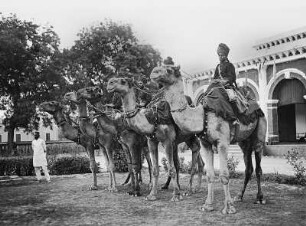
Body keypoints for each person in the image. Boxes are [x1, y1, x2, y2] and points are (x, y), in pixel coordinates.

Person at [214, 43, 249, 115]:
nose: (220, 57)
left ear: (226, 56)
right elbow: (215, 77)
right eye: (219, 55)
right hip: (218, 87)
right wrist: (216, 81)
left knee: (232, 98)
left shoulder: (230, 65)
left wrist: (224, 82)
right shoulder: (218, 66)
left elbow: (232, 78)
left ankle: (235, 116)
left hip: (228, 87)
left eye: (222, 55)